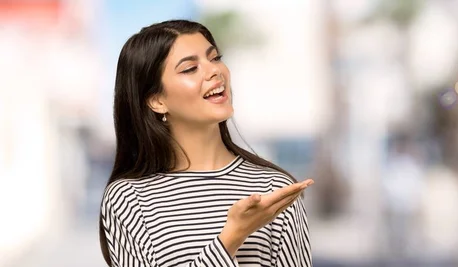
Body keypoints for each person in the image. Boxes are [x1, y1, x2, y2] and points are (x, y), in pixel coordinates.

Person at [99, 19, 314, 267]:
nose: (214, 71)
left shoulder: (274, 188)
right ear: (157, 101)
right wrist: (231, 238)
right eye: (190, 68)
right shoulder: (129, 199)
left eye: (215, 58)